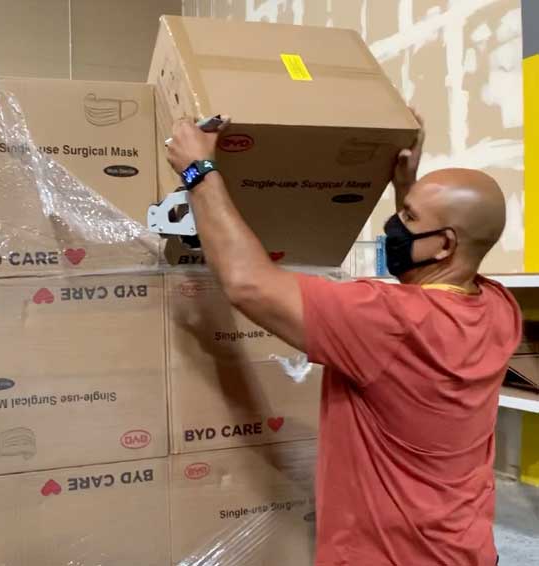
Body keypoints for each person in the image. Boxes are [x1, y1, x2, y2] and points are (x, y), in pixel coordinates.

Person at [166, 113, 522, 566]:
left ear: (445, 245)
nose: (395, 225)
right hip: (465, 550)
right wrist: (406, 191)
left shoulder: (386, 320)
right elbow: (435, 283)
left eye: (407, 218)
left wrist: (198, 171)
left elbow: (248, 284)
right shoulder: (498, 309)